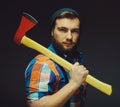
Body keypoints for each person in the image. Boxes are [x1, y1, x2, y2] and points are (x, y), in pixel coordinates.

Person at [25, 8, 89, 107]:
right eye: (62, 30)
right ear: (52, 32)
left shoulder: (78, 62)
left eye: (74, 31)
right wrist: (73, 84)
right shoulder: (42, 64)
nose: (69, 37)